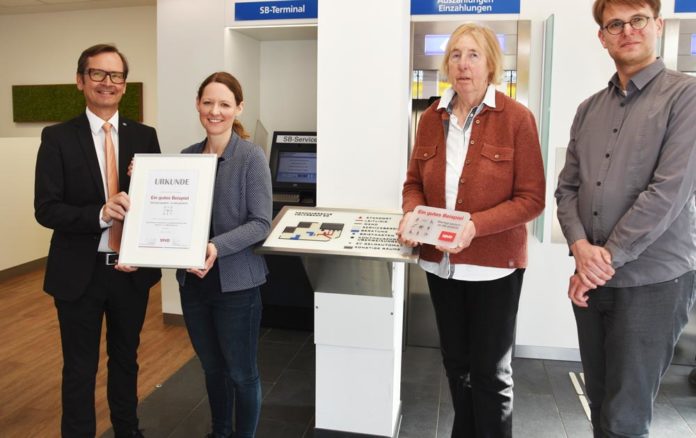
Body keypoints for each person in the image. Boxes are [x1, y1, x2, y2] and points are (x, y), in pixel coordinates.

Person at [555, 0, 696, 435]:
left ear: (657, 25)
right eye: (614, 24)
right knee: (600, 403)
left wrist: (600, 261)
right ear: (602, 38)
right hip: (595, 280)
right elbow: (567, 190)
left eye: (637, 20)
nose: (627, 31)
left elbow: (667, 193)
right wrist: (580, 249)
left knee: (626, 416)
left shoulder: (686, 96)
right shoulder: (588, 109)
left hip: (652, 283)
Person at [397, 23, 545, 437]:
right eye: (456, 55)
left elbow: (532, 199)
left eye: (474, 54)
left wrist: (474, 226)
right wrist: (411, 212)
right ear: (447, 65)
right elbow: (413, 183)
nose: (463, 64)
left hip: (494, 270)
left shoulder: (517, 119)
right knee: (456, 367)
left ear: (491, 64)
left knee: (491, 377)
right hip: (441, 268)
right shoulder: (431, 117)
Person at [34, 44, 161, 437]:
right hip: (79, 274)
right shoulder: (57, 138)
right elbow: (46, 209)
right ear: (80, 80)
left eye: (116, 76)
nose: (108, 83)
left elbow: (156, 205)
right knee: (79, 367)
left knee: (126, 360)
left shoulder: (145, 135)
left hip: (130, 272)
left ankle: (128, 430)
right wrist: (98, 214)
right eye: (98, 74)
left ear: (125, 85)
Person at [176, 72, 272, 438]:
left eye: (224, 104)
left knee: (241, 374)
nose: (215, 111)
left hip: (237, 285)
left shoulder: (250, 157)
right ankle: (220, 432)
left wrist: (215, 247)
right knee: (212, 369)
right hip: (194, 284)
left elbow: (261, 223)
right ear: (198, 105)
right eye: (208, 103)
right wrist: (144, 180)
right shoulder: (185, 157)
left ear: (238, 108)